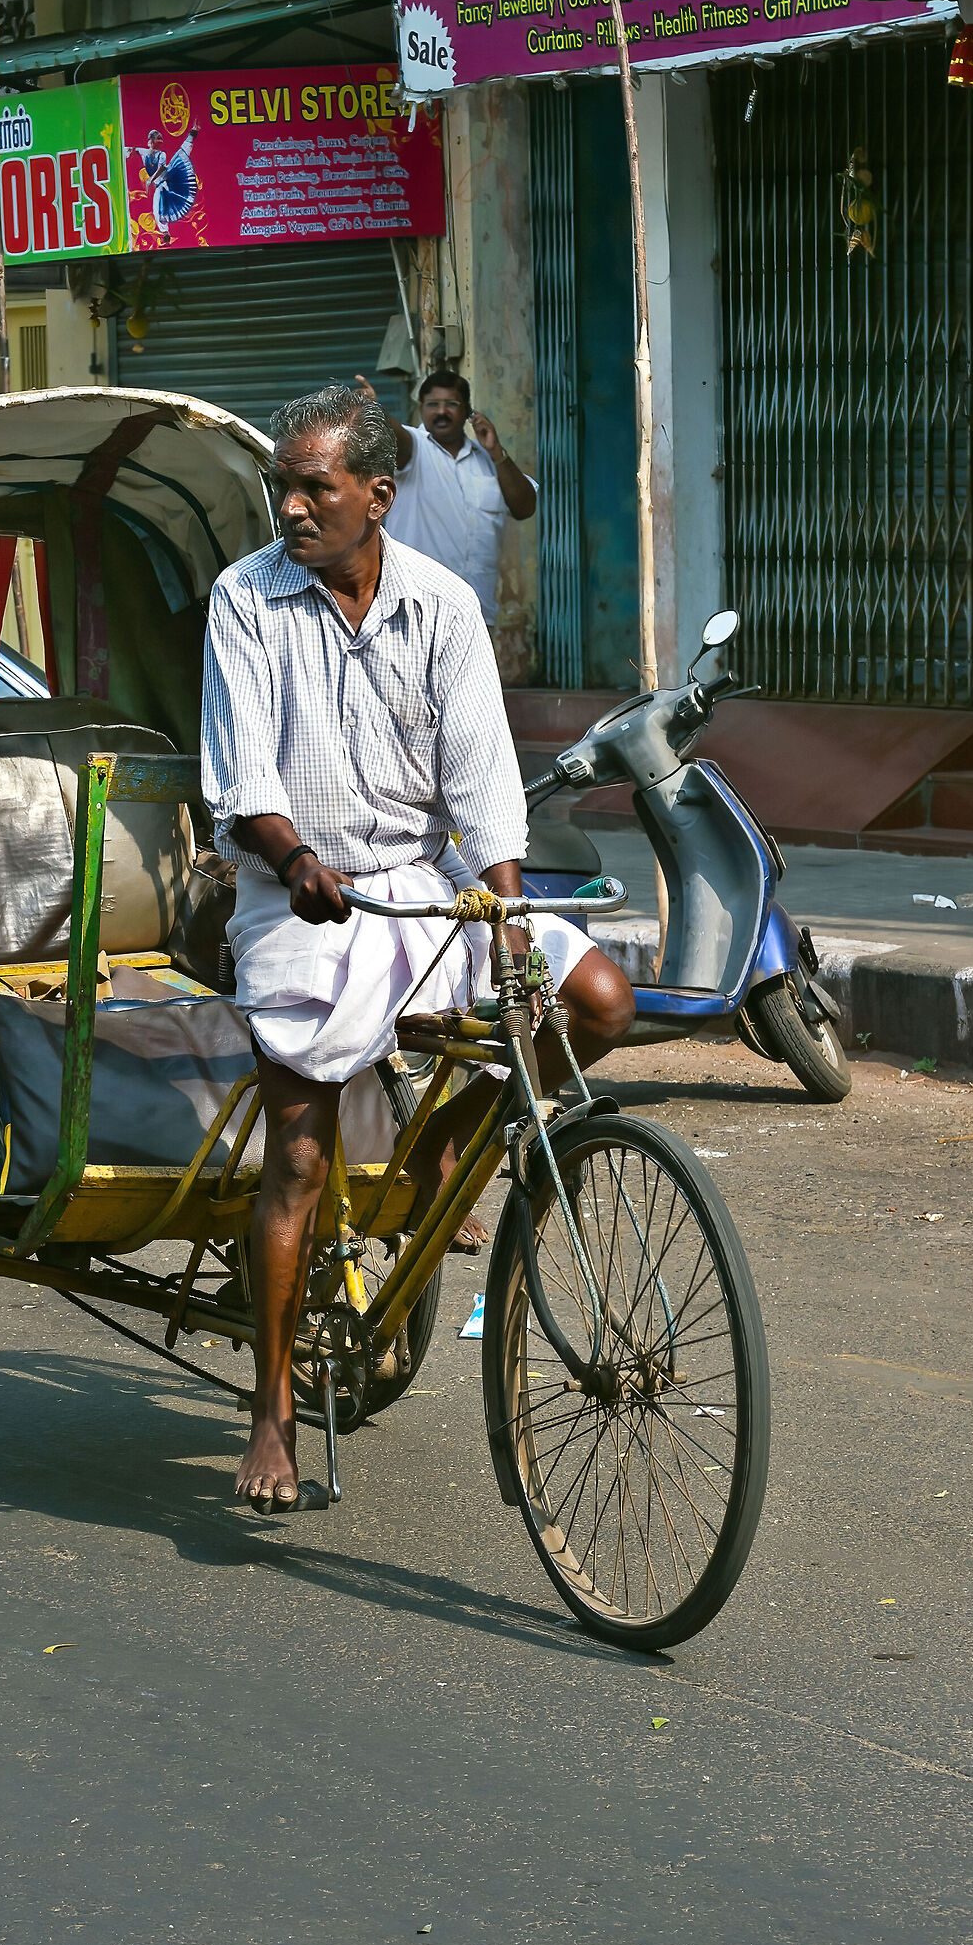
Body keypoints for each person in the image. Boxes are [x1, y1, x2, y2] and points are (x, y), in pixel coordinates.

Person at [201, 383, 634, 1514]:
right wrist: (294, 863)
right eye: (280, 487)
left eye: (315, 486)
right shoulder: (245, 598)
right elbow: (240, 773)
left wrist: (504, 919)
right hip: (294, 895)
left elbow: (485, 778)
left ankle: (448, 1139)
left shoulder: (441, 604)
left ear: (377, 494)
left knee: (595, 1000)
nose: (291, 507)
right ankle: (273, 1409)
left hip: (425, 894)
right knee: (295, 1156)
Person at [359, 368, 536, 622]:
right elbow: (396, 436)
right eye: (433, 404)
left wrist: (497, 452)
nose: (441, 412)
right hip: (416, 611)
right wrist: (375, 412)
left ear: (468, 411)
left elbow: (525, 507)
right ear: (421, 408)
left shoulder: (489, 461)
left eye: (451, 404)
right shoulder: (414, 447)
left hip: (477, 614)